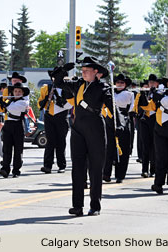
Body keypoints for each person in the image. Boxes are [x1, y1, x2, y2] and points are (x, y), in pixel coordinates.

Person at [51, 57, 117, 216]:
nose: (84, 72)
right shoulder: (78, 84)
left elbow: (111, 107)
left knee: (95, 169)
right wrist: (63, 70)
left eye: (87, 70)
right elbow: (58, 82)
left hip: (95, 128)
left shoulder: (103, 88)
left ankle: (95, 205)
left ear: (97, 73)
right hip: (78, 129)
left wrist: (117, 123)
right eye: (83, 70)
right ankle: (77, 206)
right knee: (77, 168)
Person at [38, 69, 73, 174]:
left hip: (61, 117)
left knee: (61, 142)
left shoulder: (68, 89)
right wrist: (45, 102)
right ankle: (47, 165)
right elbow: (39, 103)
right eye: (54, 77)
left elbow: (72, 103)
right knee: (50, 142)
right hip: (49, 117)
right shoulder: (46, 88)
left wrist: (62, 104)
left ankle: (61, 165)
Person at [103, 74, 133, 183]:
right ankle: (106, 173)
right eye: (118, 82)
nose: (119, 84)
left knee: (123, 148)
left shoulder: (128, 94)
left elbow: (120, 102)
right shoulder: (110, 93)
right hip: (110, 119)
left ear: (125, 85)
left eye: (122, 83)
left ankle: (120, 175)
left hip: (123, 120)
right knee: (108, 148)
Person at [0, 82, 29, 178]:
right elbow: (1, 108)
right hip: (8, 125)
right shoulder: (9, 101)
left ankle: (16, 170)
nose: (17, 93)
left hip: (17, 125)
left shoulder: (24, 102)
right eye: (15, 91)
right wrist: (0, 101)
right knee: (6, 148)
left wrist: (3, 103)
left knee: (18, 150)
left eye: (19, 91)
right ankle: (5, 169)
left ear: (22, 93)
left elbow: (12, 109)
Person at [135, 74, 162, 178]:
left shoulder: (160, 94)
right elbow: (138, 105)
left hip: (155, 119)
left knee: (155, 146)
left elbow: (156, 105)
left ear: (157, 84)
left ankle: (153, 169)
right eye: (150, 82)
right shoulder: (143, 93)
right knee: (145, 145)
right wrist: (142, 94)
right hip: (145, 119)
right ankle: (144, 170)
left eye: (154, 82)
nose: (151, 84)